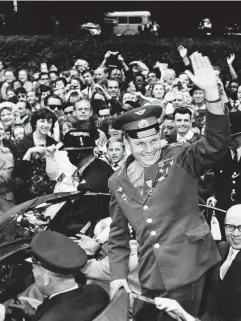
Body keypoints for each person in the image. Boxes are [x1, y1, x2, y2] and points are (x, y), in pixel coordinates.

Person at [107, 52, 230, 321]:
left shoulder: (180, 157)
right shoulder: (116, 181)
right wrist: (117, 276)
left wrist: (211, 93)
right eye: (140, 144)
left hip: (192, 267)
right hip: (152, 274)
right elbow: (117, 236)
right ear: (126, 143)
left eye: (153, 140)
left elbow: (216, 144)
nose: (149, 149)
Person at [155, 204, 241, 321]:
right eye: (230, 227)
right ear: (224, 224)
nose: (236, 234)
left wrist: (185, 315)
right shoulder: (222, 248)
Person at [1, 230, 109, 321]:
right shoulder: (98, 293)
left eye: (33, 270)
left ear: (46, 277)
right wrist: (34, 315)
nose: (33, 274)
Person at [207, 111, 241, 239]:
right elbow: (219, 180)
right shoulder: (222, 154)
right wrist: (214, 196)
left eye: (234, 137)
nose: (229, 140)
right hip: (224, 214)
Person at [12, 108, 57, 204]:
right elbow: (18, 172)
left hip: (49, 191)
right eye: (42, 121)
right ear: (35, 123)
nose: (46, 125)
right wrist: (29, 152)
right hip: (27, 194)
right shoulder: (23, 143)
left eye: (49, 122)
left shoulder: (53, 143)